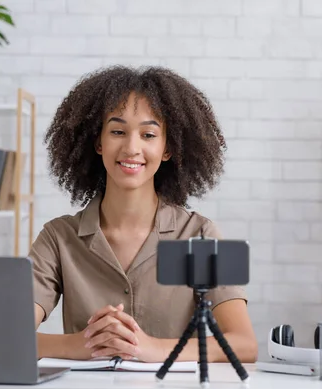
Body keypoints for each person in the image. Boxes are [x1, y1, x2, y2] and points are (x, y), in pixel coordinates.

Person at [29, 65, 258, 364]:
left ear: (167, 149)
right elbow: (6, 335)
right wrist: (84, 344)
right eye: (117, 131)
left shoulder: (201, 234)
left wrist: (154, 349)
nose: (131, 147)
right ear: (98, 142)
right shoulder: (57, 238)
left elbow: (244, 345)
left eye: (148, 134)